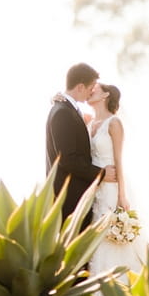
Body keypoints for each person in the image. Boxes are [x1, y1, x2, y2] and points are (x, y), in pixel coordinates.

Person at [84, 83, 149, 281]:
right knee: (101, 238)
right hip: (96, 190)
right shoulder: (89, 124)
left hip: (113, 187)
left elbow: (119, 160)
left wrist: (122, 195)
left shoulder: (114, 123)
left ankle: (132, 281)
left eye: (95, 89)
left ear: (106, 94)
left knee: (119, 237)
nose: (91, 91)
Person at [45, 63, 116, 225]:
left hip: (77, 196)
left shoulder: (67, 109)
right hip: (71, 199)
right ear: (80, 87)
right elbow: (68, 159)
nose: (92, 91)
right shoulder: (63, 112)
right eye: (91, 87)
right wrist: (102, 174)